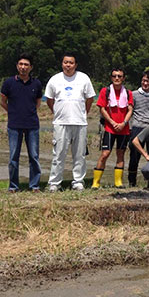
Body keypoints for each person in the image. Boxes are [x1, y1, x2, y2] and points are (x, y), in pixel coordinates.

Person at [45, 52, 96, 192]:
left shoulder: (83, 78)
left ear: (76, 65)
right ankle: (55, 183)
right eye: (65, 62)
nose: (68, 65)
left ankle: (78, 181)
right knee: (59, 154)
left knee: (79, 155)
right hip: (60, 122)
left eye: (71, 63)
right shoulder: (54, 79)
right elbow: (49, 99)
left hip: (80, 122)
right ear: (62, 64)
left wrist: (84, 113)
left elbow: (90, 98)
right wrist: (57, 111)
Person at [0, 53, 43, 193]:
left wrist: (28, 112)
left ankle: (34, 185)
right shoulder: (8, 83)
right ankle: (13, 186)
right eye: (21, 64)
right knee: (13, 157)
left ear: (31, 67)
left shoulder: (36, 83)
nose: (23, 67)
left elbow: (37, 103)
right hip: (14, 125)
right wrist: (13, 112)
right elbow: (3, 102)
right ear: (17, 66)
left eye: (26, 65)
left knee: (34, 156)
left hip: (32, 125)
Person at [92, 68, 133, 189]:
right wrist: (112, 122)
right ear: (111, 78)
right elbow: (102, 108)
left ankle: (118, 182)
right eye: (114, 76)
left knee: (121, 154)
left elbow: (130, 109)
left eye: (119, 76)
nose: (117, 78)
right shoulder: (105, 91)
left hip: (124, 128)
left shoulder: (128, 93)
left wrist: (124, 123)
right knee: (105, 154)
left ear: (123, 78)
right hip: (110, 128)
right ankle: (96, 182)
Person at [127, 71, 149, 187]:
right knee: (134, 155)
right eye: (143, 81)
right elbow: (130, 110)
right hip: (137, 126)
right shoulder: (134, 94)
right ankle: (132, 182)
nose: (145, 83)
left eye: (148, 81)